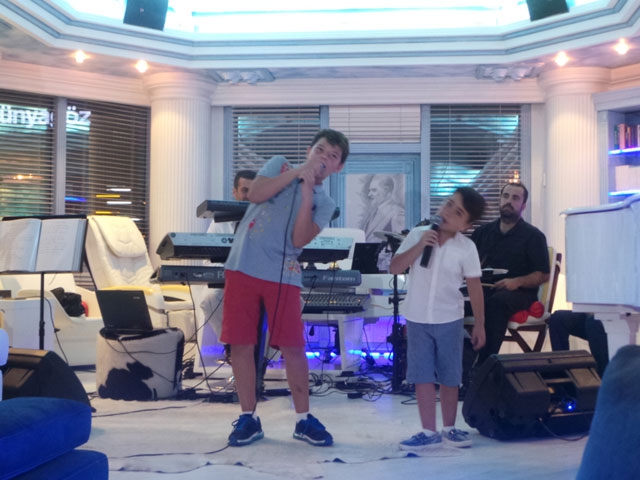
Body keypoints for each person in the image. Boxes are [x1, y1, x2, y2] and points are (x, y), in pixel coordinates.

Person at [220, 128, 349, 447]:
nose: (324, 157)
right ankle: (248, 416)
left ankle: (303, 419)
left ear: (338, 167)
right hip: (243, 264)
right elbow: (256, 194)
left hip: (284, 274)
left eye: (332, 156)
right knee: (241, 342)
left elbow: (298, 239)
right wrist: (297, 173)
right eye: (320, 150)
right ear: (309, 151)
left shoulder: (325, 203)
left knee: (292, 345)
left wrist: (306, 193)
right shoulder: (279, 164)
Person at [389, 187, 486, 450]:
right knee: (421, 375)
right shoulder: (419, 235)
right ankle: (428, 431)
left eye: (458, 212)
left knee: (449, 375)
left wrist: (479, 324)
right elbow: (395, 267)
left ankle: (449, 428)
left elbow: (475, 286)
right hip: (417, 317)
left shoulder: (466, 248)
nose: (448, 212)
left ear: (466, 225)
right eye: (449, 204)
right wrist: (421, 244)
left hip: (449, 318)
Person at [470, 182, 550, 366]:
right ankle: (458, 366)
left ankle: (484, 369)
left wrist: (517, 281)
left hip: (519, 293)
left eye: (515, 198)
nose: (509, 201)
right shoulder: (482, 233)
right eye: (505, 196)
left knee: (496, 304)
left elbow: (543, 274)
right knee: (453, 300)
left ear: (523, 206)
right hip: (483, 289)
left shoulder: (534, 236)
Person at [195, 170, 256, 353]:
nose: (249, 196)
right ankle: (232, 346)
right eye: (245, 190)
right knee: (210, 298)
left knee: (294, 300)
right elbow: (209, 260)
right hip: (229, 281)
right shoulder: (219, 222)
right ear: (234, 192)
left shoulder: (269, 220)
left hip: (261, 281)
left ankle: (265, 354)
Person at [548, 310, 609, 377]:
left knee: (594, 322)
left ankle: (602, 375)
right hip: (592, 314)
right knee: (557, 318)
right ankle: (561, 370)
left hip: (611, 321)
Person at [360, 174, 406, 241]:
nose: (369, 194)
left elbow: (399, 242)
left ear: (386, 190)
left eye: (374, 190)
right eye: (369, 190)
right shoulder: (374, 212)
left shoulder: (398, 213)